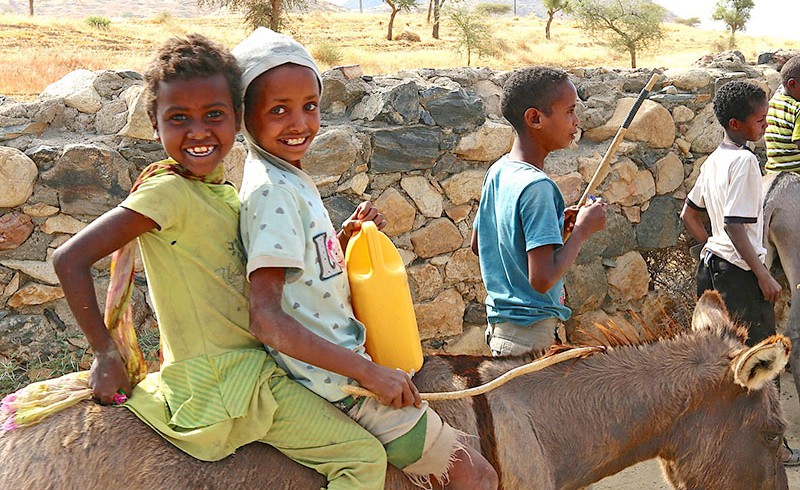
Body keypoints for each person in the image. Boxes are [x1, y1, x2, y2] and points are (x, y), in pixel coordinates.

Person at [52, 34, 388, 488]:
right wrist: (104, 353)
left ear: (237, 119)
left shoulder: (221, 191)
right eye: (178, 118)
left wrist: (341, 240)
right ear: (154, 124)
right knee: (363, 459)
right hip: (228, 383)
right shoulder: (167, 193)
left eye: (214, 115)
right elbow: (69, 258)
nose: (198, 131)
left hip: (247, 369)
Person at [232, 27, 498, 489]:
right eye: (278, 110)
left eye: (309, 107)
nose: (299, 124)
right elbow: (267, 318)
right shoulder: (272, 190)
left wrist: (341, 235)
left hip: (339, 369)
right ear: (244, 117)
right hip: (338, 387)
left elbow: (299, 272)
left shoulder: (284, 177)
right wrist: (370, 374)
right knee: (475, 476)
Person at [681, 79, 800, 467]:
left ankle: (721, 438)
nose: (766, 125)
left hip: (711, 268)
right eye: (760, 120)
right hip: (739, 274)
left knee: (722, 358)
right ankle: (774, 446)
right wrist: (763, 275)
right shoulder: (747, 161)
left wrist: (710, 249)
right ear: (736, 124)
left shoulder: (715, 159)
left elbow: (690, 213)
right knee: (763, 360)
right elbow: (735, 224)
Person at [470, 66, 607, 357]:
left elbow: (478, 245)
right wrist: (582, 231)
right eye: (569, 111)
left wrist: (554, 228)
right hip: (530, 338)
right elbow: (542, 279)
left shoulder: (499, 170)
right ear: (535, 119)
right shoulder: (538, 188)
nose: (576, 121)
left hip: (501, 331)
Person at [765, 55, 800, 173]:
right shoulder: (797, 109)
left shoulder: (773, 101)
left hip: (773, 172)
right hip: (796, 172)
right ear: (792, 84)